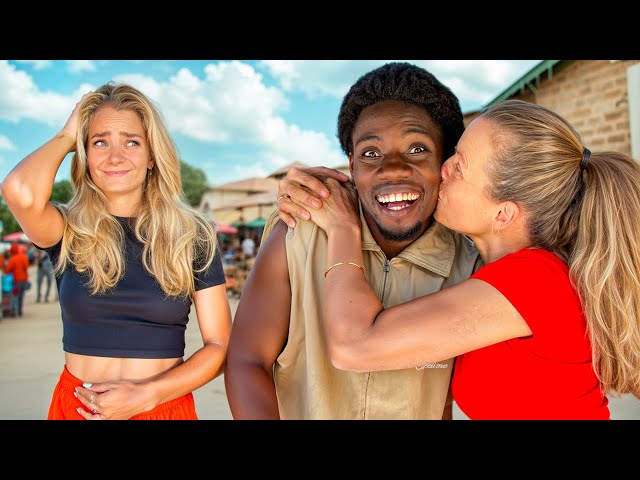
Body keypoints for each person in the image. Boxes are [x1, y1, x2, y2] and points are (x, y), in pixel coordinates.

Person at [291, 99, 640, 419]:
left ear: (503, 214)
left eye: (460, 167)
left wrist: (342, 229)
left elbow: (354, 346)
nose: (442, 168)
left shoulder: (534, 280)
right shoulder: (503, 274)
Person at [224, 62, 481, 419]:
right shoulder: (299, 233)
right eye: (371, 153)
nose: (392, 167)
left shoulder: (469, 262)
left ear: (445, 162)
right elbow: (246, 360)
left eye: (417, 148)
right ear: (350, 166)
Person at [0, 82, 232, 420]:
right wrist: (68, 135)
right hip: (77, 409)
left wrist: (147, 395)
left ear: (153, 156)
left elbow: (220, 348)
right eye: (99, 142)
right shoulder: (67, 230)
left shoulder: (191, 236)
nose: (115, 156)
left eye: (132, 142)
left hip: (162, 408)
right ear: (86, 155)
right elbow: (18, 191)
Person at [4, 242, 30, 317]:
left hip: (16, 280)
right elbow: (26, 267)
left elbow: (8, 270)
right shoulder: (24, 257)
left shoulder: (12, 259)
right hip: (24, 279)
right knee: (21, 295)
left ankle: (13, 311)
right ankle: (20, 311)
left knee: (14, 295)